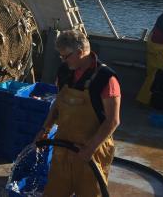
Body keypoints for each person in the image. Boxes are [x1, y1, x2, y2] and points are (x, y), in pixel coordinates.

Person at [37, 29, 121, 197]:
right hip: (62, 147)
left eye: (65, 56)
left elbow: (112, 121)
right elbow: (58, 104)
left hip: (92, 153)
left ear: (81, 52)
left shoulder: (106, 78)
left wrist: (89, 149)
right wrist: (45, 129)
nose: (62, 60)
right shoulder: (64, 71)